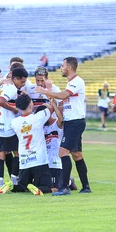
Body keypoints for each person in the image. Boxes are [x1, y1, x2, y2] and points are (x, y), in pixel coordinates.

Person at [34, 57, 91, 195]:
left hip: (75, 122)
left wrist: (45, 91)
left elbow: (64, 95)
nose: (61, 68)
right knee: (77, 155)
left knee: (62, 152)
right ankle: (86, 186)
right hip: (72, 122)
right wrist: (51, 99)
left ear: (69, 68)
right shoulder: (71, 82)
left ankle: (64, 187)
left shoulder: (76, 81)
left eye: (62, 65)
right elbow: (63, 99)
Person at [0, 94, 54, 195]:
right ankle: (37, 189)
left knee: (22, 186)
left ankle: (10, 186)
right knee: (49, 187)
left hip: (24, 161)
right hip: (39, 160)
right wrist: (49, 99)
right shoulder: (38, 117)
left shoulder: (15, 122)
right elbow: (51, 108)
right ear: (31, 105)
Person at [0, 66, 29, 189]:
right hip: (9, 126)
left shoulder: (3, 85)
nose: (23, 84)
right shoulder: (12, 88)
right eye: (22, 81)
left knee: (0, 155)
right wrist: (13, 109)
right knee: (18, 153)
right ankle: (14, 180)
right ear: (15, 79)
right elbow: (1, 101)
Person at [37, 98, 64, 189]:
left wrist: (54, 106)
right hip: (44, 163)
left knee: (53, 188)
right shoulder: (41, 127)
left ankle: (68, 181)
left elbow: (61, 119)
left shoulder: (56, 123)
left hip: (55, 163)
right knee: (40, 186)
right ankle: (68, 180)